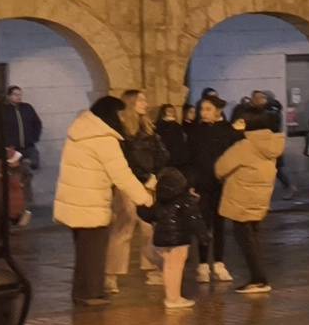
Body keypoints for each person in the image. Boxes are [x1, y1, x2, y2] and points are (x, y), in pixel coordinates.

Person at [52, 96, 154, 306]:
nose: (122, 118)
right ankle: (91, 293)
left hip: (74, 202)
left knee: (83, 251)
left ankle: (81, 292)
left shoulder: (79, 132)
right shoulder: (103, 138)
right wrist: (143, 197)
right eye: (120, 113)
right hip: (91, 202)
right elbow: (121, 174)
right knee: (94, 251)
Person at [216, 110, 284, 295]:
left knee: (246, 240)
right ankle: (258, 278)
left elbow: (221, 167)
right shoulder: (273, 145)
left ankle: (259, 279)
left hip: (241, 199)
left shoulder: (245, 146)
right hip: (259, 198)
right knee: (253, 238)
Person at [109, 90, 168, 292]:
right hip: (128, 184)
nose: (146, 103)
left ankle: (152, 269)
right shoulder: (123, 132)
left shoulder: (149, 129)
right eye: (141, 99)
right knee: (124, 228)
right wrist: (142, 177)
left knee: (149, 229)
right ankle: (111, 275)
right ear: (131, 103)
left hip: (149, 184)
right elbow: (125, 161)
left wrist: (155, 175)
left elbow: (161, 154)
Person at [186, 96, 240, 285]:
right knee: (203, 224)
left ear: (217, 111)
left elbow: (236, 152)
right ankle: (202, 265)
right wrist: (191, 182)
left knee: (219, 224)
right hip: (202, 184)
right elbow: (191, 159)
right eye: (202, 109)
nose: (204, 113)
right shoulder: (196, 131)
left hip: (222, 184)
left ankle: (219, 263)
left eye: (208, 109)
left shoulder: (228, 130)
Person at [137, 166, 207, 310]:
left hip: (161, 241)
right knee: (176, 268)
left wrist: (140, 205)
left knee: (168, 268)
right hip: (180, 241)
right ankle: (174, 298)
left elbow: (148, 215)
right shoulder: (185, 201)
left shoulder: (160, 202)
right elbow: (195, 219)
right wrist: (203, 236)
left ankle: (170, 296)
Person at [1, 86, 43, 169]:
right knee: (15, 171)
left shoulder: (27, 107)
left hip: (28, 146)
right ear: (9, 96)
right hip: (12, 148)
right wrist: (5, 144)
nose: (18, 97)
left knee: (34, 163)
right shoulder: (3, 110)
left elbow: (37, 123)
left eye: (20, 94)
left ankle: (27, 165)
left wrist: (34, 137)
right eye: (15, 94)